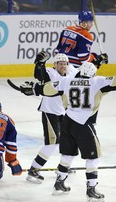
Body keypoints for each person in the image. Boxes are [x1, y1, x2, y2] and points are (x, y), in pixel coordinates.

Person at [19, 52, 116, 200]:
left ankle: (59, 183)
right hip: (85, 124)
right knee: (93, 157)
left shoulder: (67, 81)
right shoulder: (97, 82)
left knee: (67, 154)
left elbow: (47, 89)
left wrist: (33, 89)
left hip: (67, 122)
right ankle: (91, 190)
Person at [26, 52, 78, 184]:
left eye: (65, 63)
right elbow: (40, 75)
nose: (63, 66)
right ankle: (34, 169)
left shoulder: (71, 72)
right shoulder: (51, 72)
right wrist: (39, 64)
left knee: (68, 140)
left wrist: (97, 62)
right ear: (55, 65)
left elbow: (84, 73)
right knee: (52, 143)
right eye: (60, 64)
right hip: (49, 113)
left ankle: (63, 166)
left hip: (63, 113)